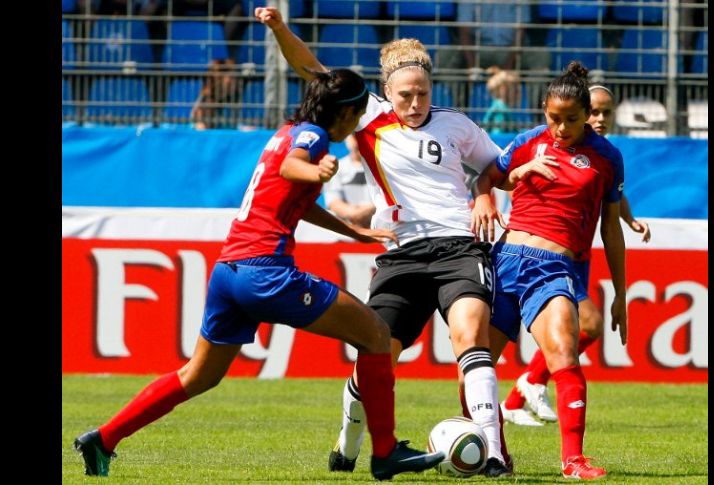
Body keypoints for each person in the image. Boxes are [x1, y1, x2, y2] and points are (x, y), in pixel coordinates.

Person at [72, 68, 445, 481]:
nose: (357, 124)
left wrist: (351, 230)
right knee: (376, 334)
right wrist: (316, 172)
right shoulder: (313, 138)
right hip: (266, 272)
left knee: (198, 375)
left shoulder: (287, 130)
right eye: (357, 116)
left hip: (228, 271)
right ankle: (385, 452)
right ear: (346, 113)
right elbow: (292, 169)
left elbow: (294, 197)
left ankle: (103, 438)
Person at [254, 6, 513, 477]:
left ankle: (493, 453)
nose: (415, 104)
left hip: (460, 246)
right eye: (405, 95)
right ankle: (348, 441)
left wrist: (484, 193)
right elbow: (311, 69)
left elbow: (499, 168)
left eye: (423, 93)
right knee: (377, 355)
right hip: (401, 254)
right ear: (386, 93)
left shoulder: (458, 125)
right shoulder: (368, 116)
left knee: (470, 336)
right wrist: (278, 28)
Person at [472, 61, 627, 480]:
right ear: (544, 109)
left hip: (552, 267)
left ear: (587, 114)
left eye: (572, 120)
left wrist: (621, 296)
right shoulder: (526, 142)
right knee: (478, 362)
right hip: (504, 259)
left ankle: (573, 460)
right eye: (554, 118)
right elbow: (488, 177)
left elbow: (610, 228)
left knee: (563, 351)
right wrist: (484, 199)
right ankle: (494, 453)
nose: (561, 128)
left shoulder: (607, 158)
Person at [500, 84, 651, 427]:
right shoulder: (538, 141)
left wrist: (629, 220)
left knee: (586, 329)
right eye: (594, 111)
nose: (599, 119)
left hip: (577, 258)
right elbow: (494, 176)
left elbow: (609, 200)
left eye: (605, 113)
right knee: (587, 327)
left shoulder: (607, 156)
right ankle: (528, 385)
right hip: (540, 257)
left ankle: (520, 394)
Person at [323, 135, 376, 228]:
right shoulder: (336, 168)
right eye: (354, 137)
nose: (358, 142)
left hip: (381, 229)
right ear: (348, 140)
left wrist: (371, 210)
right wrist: (355, 214)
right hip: (348, 232)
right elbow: (334, 202)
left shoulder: (382, 167)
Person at [192, 58, 240, 130]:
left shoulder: (231, 86)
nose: (230, 81)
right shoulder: (208, 93)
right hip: (204, 121)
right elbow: (196, 110)